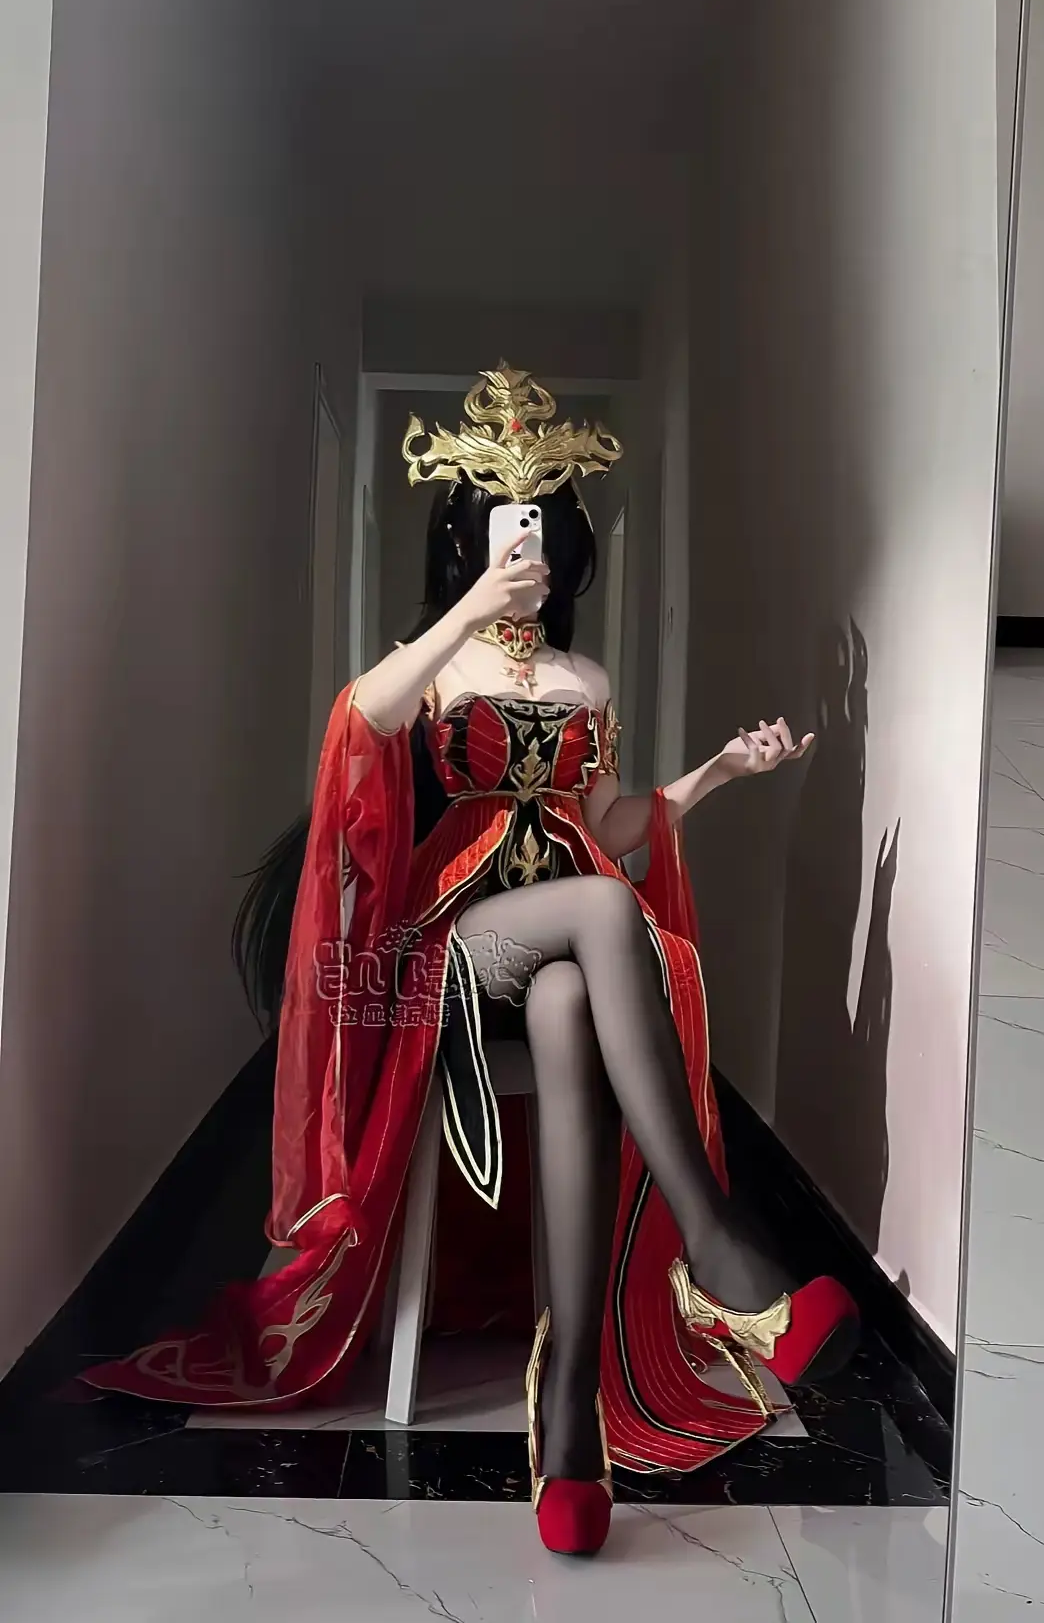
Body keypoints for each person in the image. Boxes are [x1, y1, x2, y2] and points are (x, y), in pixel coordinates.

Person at [84, 364, 858, 1557]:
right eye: (503, 526)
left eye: (541, 526)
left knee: (573, 986)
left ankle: (570, 1414)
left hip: (556, 946)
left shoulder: (587, 680)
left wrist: (719, 773)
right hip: (442, 945)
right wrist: (464, 610)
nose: (526, 545)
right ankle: (720, 1249)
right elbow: (359, 720)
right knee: (605, 919)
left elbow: (610, 828)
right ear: (468, 540)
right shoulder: (433, 662)